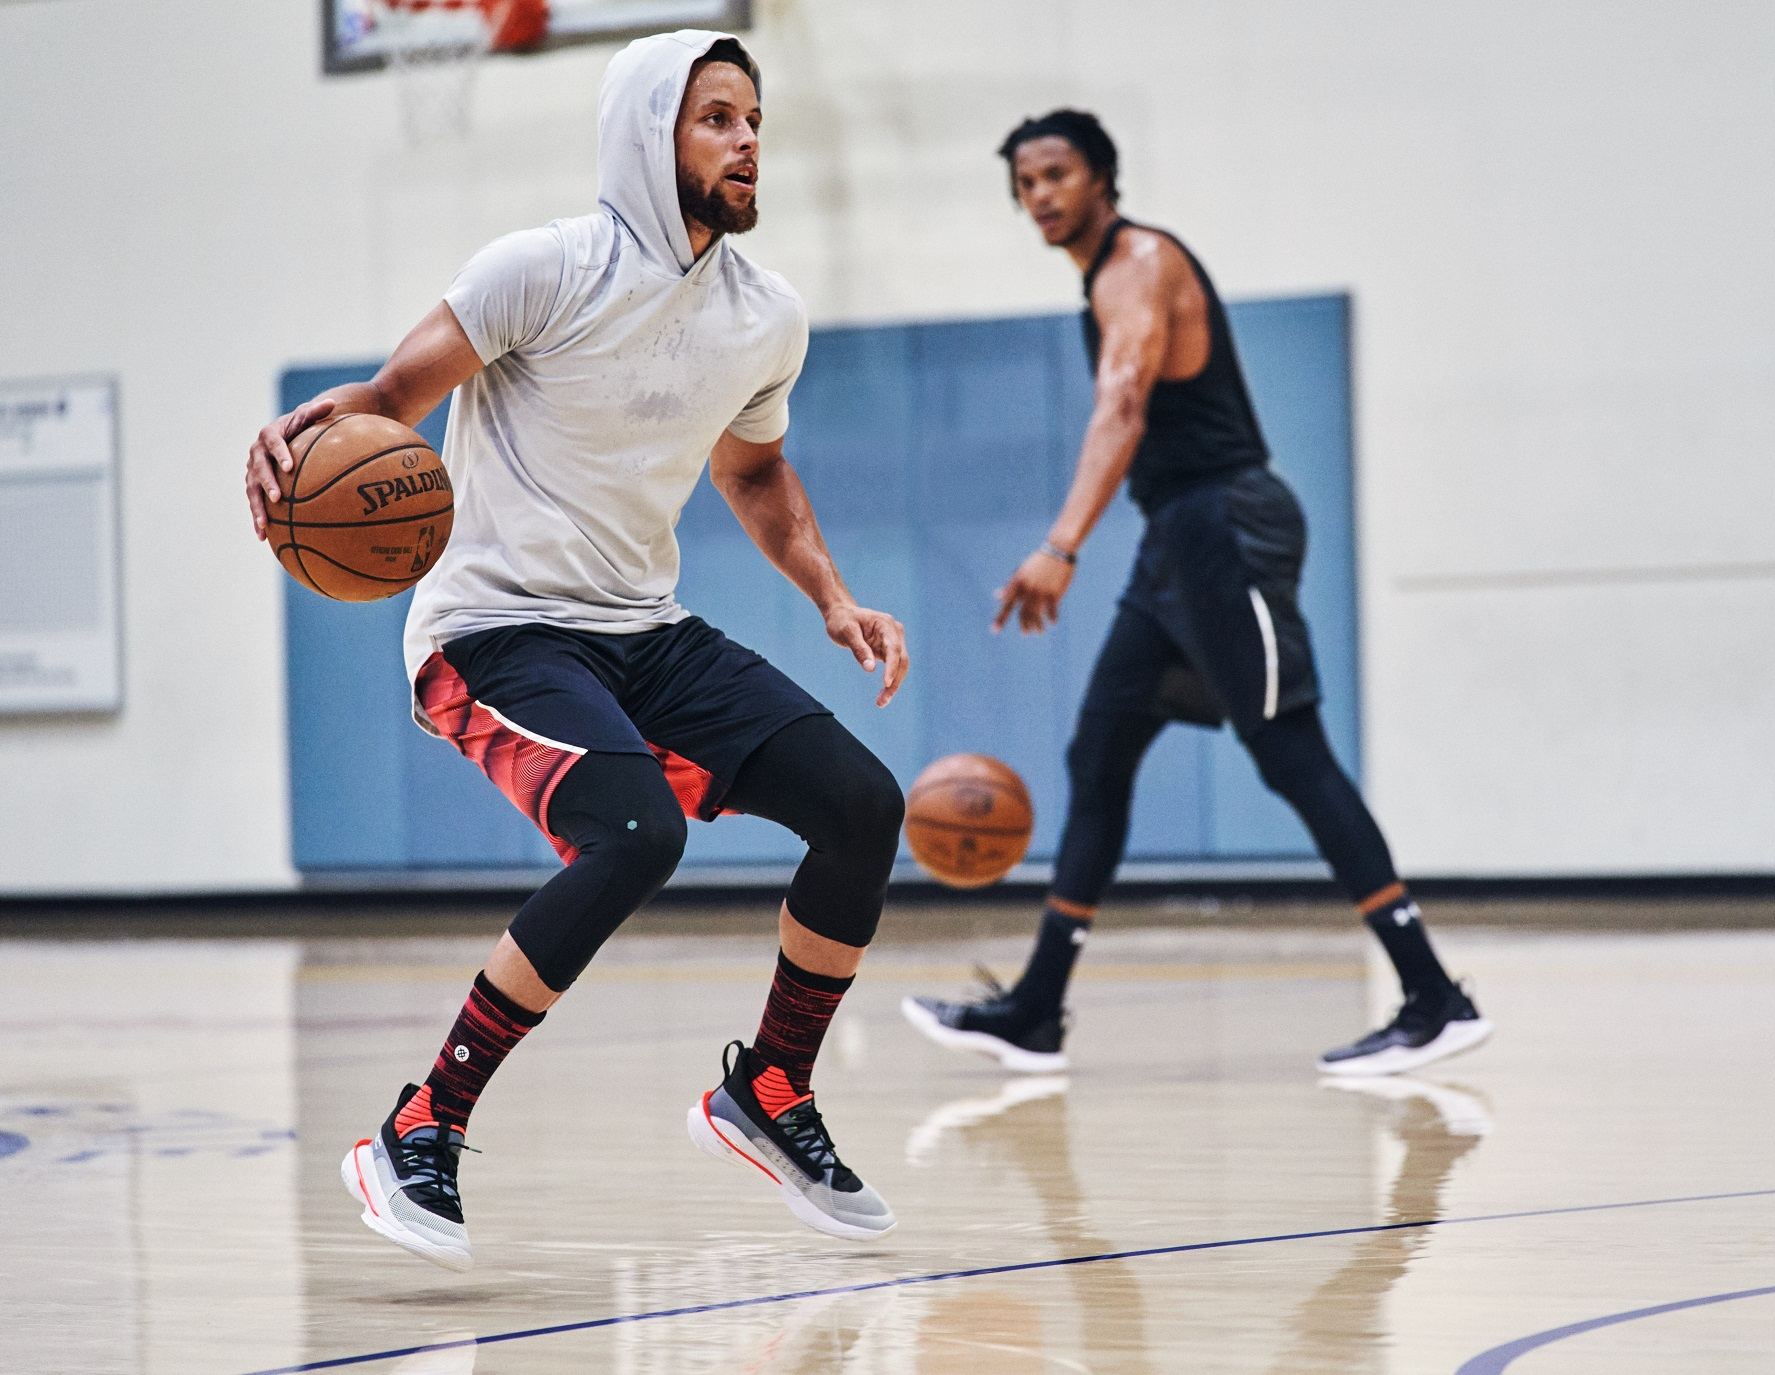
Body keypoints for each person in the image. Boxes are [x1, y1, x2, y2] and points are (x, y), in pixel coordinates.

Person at [244, 31, 908, 1269]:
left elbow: (753, 470)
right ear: (649, 135)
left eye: (755, 118)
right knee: (637, 832)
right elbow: (388, 397)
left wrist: (830, 593)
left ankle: (769, 1089)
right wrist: (291, 443)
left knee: (863, 805)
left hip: (642, 630)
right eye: (717, 117)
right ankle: (419, 1121)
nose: (748, 138)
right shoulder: (540, 270)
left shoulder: (766, 316)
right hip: (494, 626)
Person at [902, 110, 1489, 1079]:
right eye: (1024, 185)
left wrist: (1060, 544)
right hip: (1177, 541)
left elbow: (1123, 403)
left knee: (1290, 754)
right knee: (1100, 749)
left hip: (1226, 527)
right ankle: (1035, 1010)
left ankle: (1432, 998)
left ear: (1103, 178)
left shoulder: (1137, 262)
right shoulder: (1099, 279)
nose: (1040, 195)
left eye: (1055, 174)